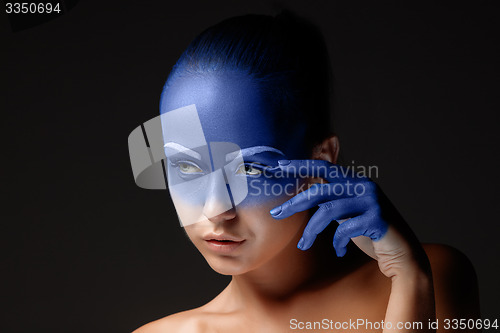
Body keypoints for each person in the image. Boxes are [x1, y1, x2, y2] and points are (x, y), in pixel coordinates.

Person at [133, 12, 480, 333]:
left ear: (322, 158)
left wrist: (410, 278)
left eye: (250, 169)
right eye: (187, 166)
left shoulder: (435, 275)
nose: (214, 210)